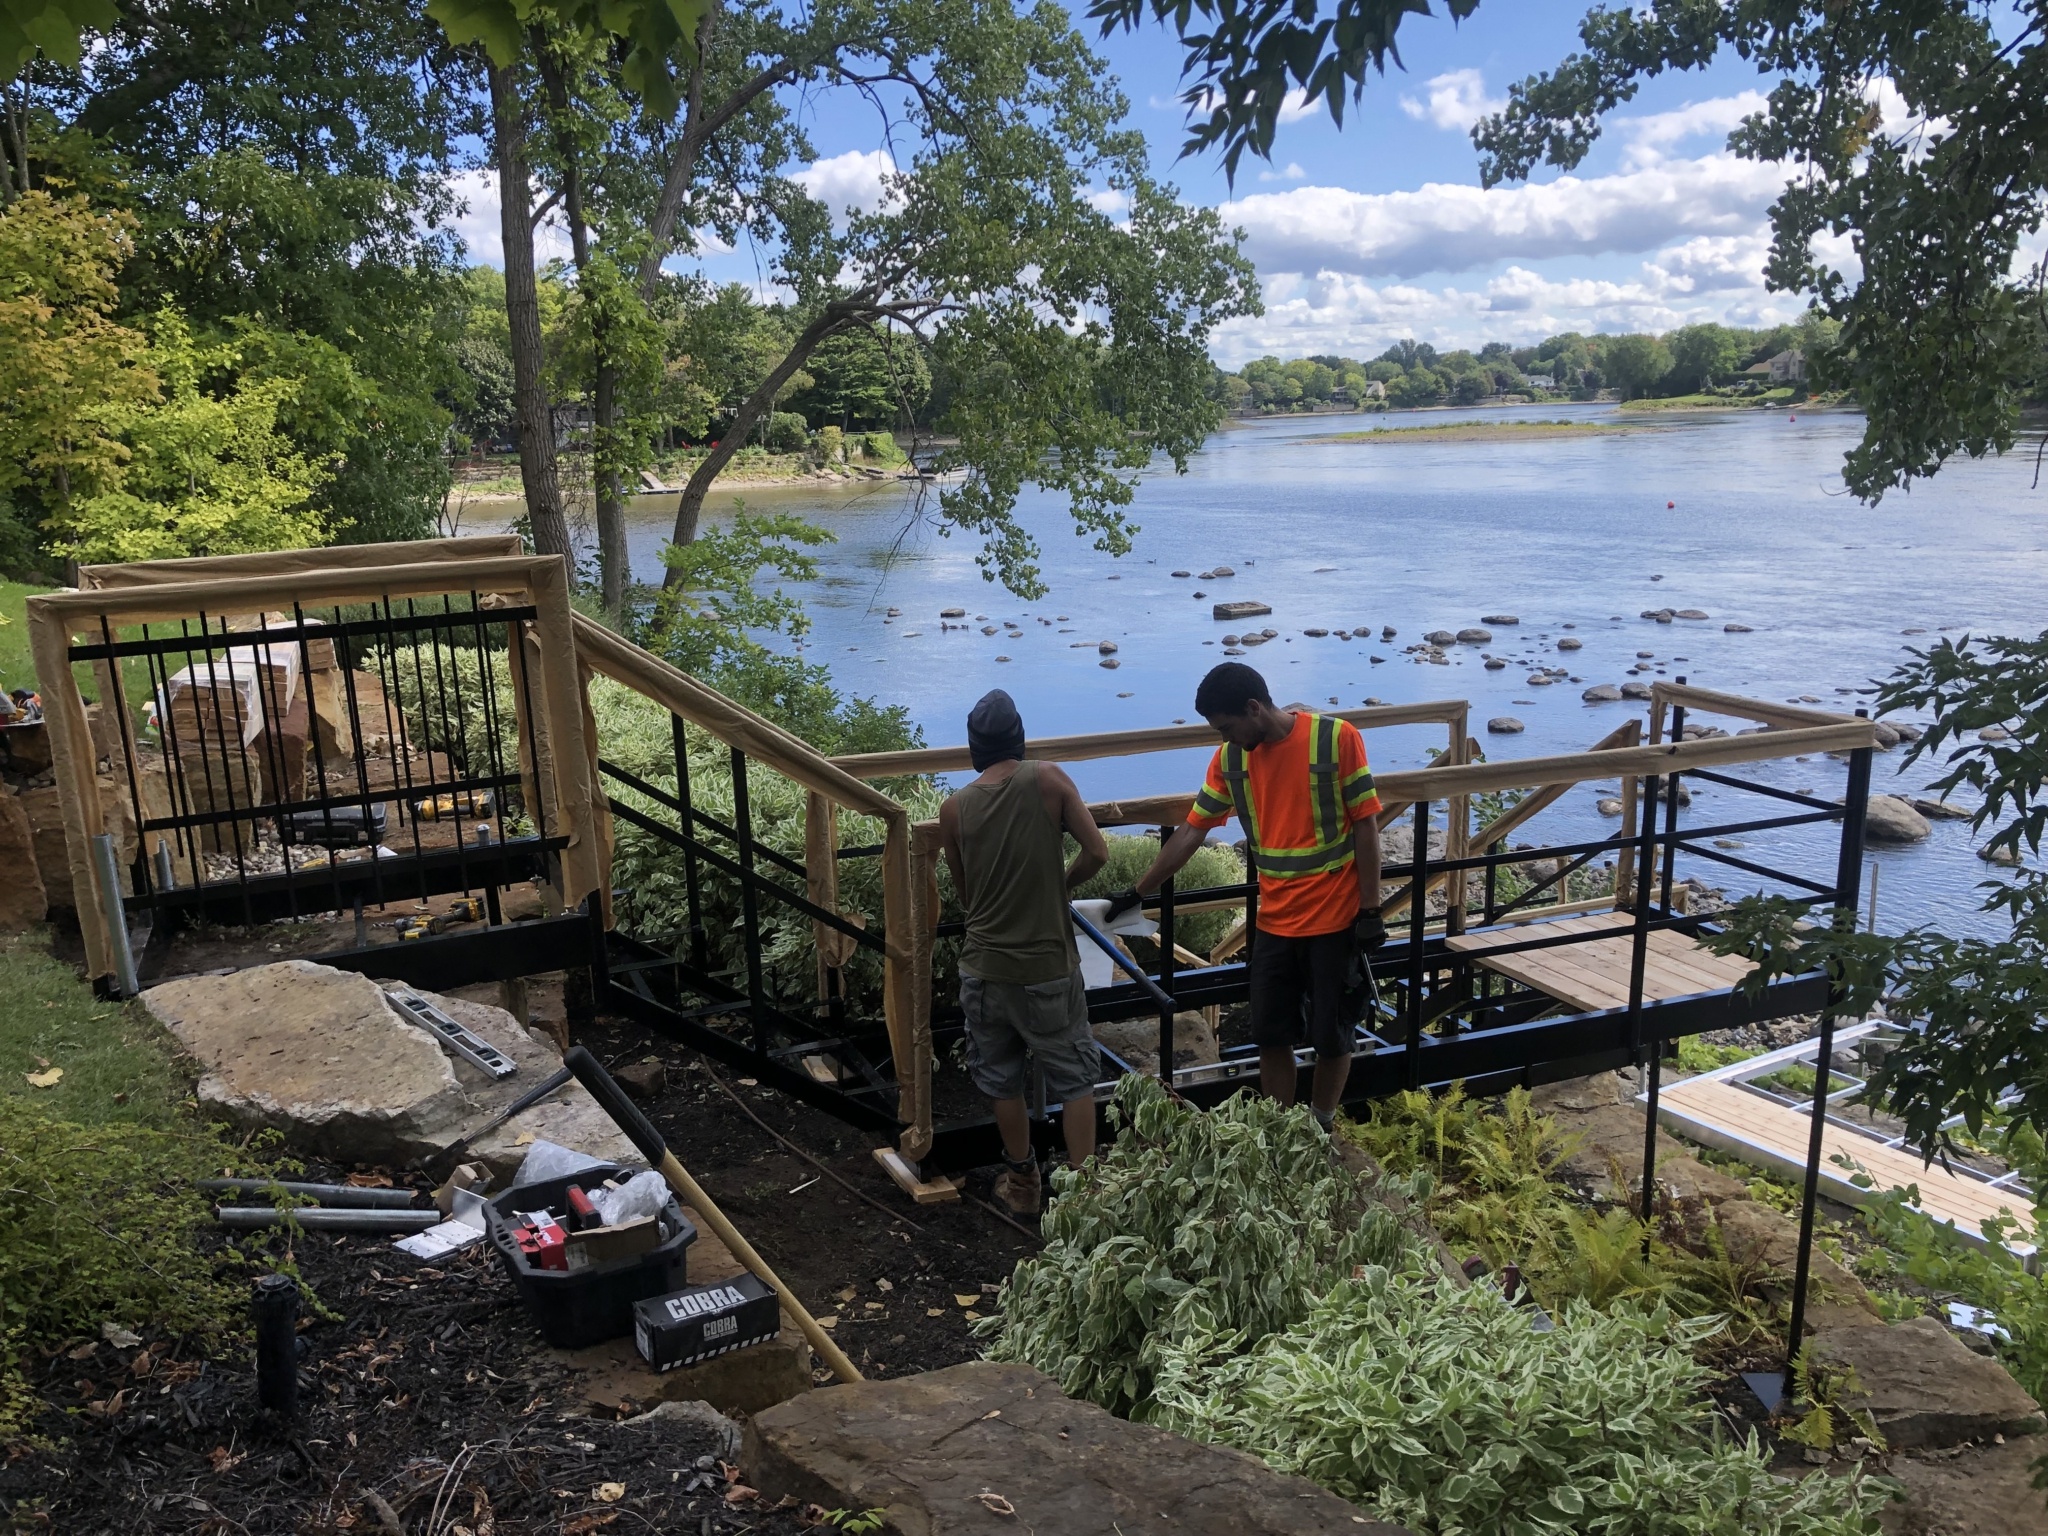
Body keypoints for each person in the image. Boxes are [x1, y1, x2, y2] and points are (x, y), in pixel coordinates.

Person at [1110, 663, 1385, 1130]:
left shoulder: (1336, 738)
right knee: (1270, 1035)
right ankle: (1279, 1134)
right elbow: (1192, 832)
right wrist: (1137, 892)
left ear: (1254, 708)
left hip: (1336, 919)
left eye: (1227, 727)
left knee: (1331, 1035)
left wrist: (1371, 909)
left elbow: (1366, 823)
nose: (1224, 738)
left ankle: (1319, 1126)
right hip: (1275, 922)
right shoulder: (1231, 760)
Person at [938, 688, 1111, 1217]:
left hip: (985, 968)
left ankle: (1023, 1182)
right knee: (1076, 1077)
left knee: (999, 1078)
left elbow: (967, 894)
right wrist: (1058, 884)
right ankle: (1083, 1196)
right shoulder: (1049, 779)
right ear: (1019, 738)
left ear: (974, 749)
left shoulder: (954, 809)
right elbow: (1097, 852)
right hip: (1047, 967)